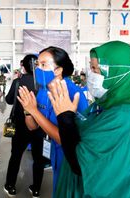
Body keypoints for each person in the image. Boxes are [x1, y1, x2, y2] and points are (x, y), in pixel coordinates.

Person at [43, 41, 130, 197]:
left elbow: (79, 162)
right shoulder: (109, 103)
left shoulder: (125, 115)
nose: (91, 74)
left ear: (118, 71)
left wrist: (65, 117)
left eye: (96, 69)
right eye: (91, 68)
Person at [17, 46, 88, 197]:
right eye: (37, 65)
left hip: (70, 156)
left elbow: (65, 139)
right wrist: (27, 110)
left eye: (43, 65)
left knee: (67, 191)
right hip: (53, 151)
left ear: (58, 70)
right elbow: (32, 126)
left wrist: (34, 110)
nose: (38, 69)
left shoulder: (74, 94)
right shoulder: (43, 91)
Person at [4, 55, 44, 197]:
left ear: (24, 66)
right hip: (40, 124)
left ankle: (10, 186)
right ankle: (36, 189)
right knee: (38, 158)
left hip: (20, 125)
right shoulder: (43, 83)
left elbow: (9, 101)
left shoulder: (17, 82)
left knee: (15, 155)